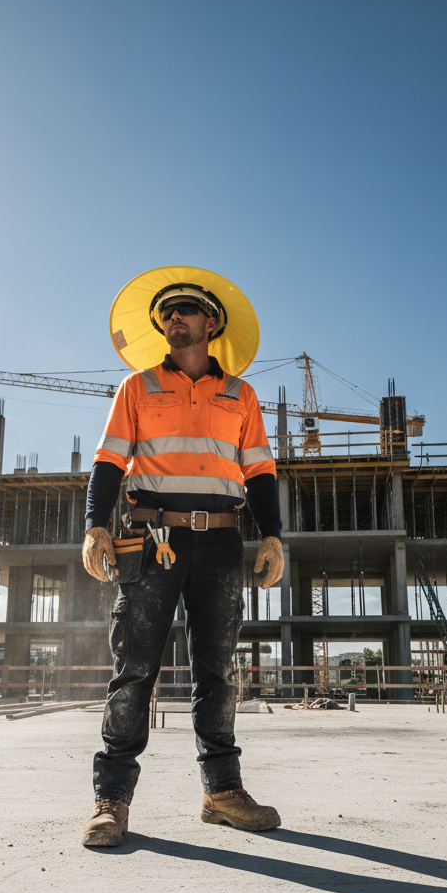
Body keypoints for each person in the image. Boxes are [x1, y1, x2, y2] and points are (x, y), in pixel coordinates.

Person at [81, 279, 284, 847]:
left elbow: (261, 471)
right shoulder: (137, 387)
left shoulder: (240, 396)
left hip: (221, 542)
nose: (174, 318)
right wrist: (96, 524)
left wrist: (272, 537)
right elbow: (109, 461)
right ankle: (111, 801)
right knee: (134, 669)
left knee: (218, 671)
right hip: (152, 540)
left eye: (185, 311)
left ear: (210, 324)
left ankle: (222, 793)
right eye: (166, 312)